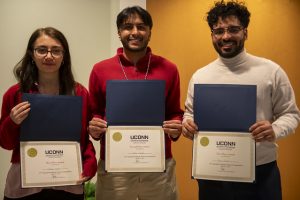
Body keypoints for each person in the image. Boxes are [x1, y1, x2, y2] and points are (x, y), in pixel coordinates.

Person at [182, 1, 300, 200]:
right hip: (212, 173)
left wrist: (275, 129)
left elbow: (291, 114)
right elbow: (189, 113)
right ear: (212, 35)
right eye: (219, 31)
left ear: (245, 33)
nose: (226, 36)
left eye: (233, 29)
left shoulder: (271, 71)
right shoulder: (200, 76)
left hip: (261, 173)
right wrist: (187, 124)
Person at [88, 6, 183, 200]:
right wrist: (94, 125)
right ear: (119, 32)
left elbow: (174, 112)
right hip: (116, 167)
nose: (134, 32)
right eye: (127, 27)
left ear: (149, 31)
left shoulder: (169, 69)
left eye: (141, 27)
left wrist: (176, 126)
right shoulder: (100, 69)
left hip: (158, 166)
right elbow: (95, 111)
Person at [0, 27, 97, 200]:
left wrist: (90, 163)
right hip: (24, 187)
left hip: (68, 184)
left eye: (56, 51)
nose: (49, 56)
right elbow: (5, 144)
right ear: (31, 54)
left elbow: (83, 140)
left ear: (64, 55)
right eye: (42, 50)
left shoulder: (80, 93)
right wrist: (12, 121)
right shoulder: (15, 94)